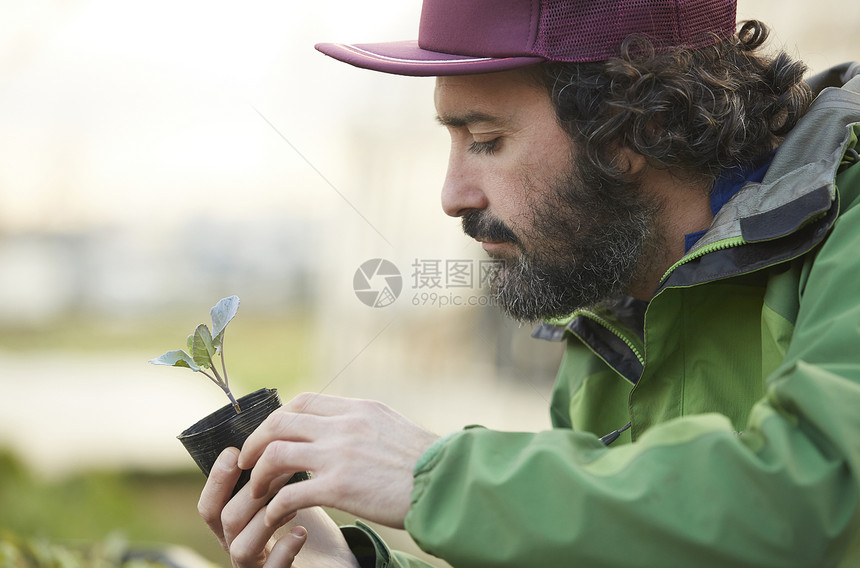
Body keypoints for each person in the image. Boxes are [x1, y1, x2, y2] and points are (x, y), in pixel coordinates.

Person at [197, 0, 860, 566]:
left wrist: (432, 475)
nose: (452, 195)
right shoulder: (609, 307)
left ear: (640, 127)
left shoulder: (847, 219)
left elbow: (814, 497)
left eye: (485, 140)